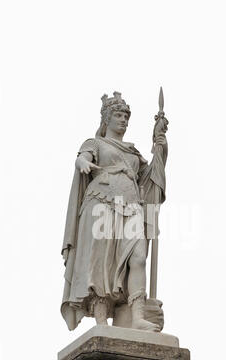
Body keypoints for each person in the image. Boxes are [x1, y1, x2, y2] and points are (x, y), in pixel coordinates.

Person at [61, 92, 167, 331]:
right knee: (102, 264)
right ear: (106, 119)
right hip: (101, 203)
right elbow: (82, 158)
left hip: (131, 206)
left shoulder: (132, 153)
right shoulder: (95, 143)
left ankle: (137, 317)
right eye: (118, 115)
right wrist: (84, 163)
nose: (123, 120)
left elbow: (151, 180)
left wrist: (160, 148)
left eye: (126, 116)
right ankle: (101, 320)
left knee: (138, 256)